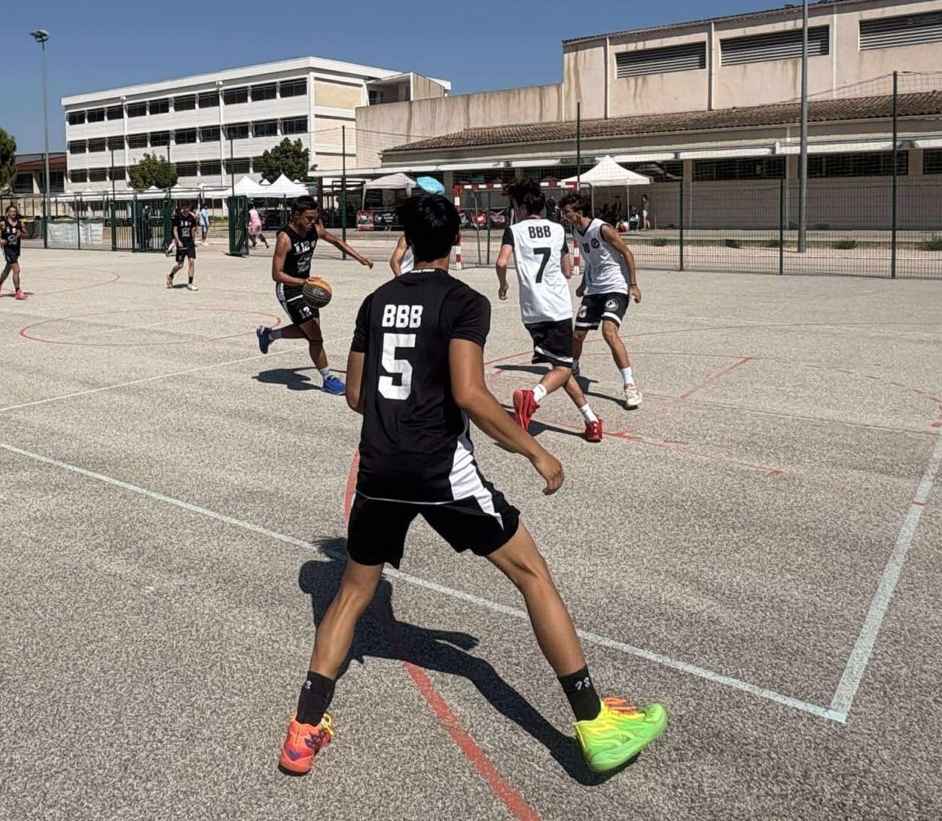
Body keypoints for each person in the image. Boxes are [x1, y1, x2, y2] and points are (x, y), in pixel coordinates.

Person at [277, 192, 665, 778]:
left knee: (351, 595)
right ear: (457, 242)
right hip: (440, 470)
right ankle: (595, 721)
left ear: (407, 241)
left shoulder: (376, 302)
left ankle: (304, 730)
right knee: (533, 576)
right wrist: (536, 451)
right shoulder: (464, 302)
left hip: (379, 469)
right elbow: (470, 393)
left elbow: (355, 394)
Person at [494, 183, 602, 442]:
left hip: (532, 309)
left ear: (521, 207)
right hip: (557, 307)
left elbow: (501, 261)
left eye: (514, 206)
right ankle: (532, 396)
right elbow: (567, 270)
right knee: (564, 367)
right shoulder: (557, 229)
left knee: (560, 366)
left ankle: (592, 421)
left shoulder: (514, 230)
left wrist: (503, 284)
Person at [255, 195, 375, 394]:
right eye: (309, 218)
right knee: (315, 336)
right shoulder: (285, 238)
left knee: (311, 333)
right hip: (289, 288)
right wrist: (303, 282)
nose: (313, 222)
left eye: (315, 217)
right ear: (296, 215)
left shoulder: (314, 230)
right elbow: (276, 274)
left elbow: (336, 241)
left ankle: (268, 334)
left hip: (307, 287)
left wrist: (359, 258)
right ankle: (328, 379)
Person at [560, 192, 643, 410]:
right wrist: (583, 284)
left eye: (567, 212)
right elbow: (592, 261)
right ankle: (573, 369)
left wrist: (633, 284)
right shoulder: (576, 231)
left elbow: (627, 253)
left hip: (615, 287)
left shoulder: (603, 228)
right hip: (594, 289)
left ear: (579, 212)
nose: (564, 216)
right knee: (577, 335)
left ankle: (630, 386)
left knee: (609, 332)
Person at [0, 205, 30, 300]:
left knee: (7, 269)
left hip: (16, 249)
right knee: (16, 269)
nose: (13, 213)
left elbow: (27, 235)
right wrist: (0, 239)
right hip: (7, 248)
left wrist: (21, 234)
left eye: (15, 211)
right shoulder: (3, 223)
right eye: (11, 211)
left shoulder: (20, 224)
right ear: (7, 213)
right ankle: (18, 291)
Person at [167, 201, 199, 291]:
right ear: (182, 208)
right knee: (180, 265)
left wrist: (193, 240)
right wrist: (178, 241)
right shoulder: (178, 217)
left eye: (187, 208)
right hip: (181, 243)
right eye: (184, 208)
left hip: (189, 243)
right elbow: (175, 230)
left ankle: (190, 283)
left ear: (189, 208)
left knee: (191, 262)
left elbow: (193, 229)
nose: (185, 209)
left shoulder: (191, 218)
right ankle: (170, 275)